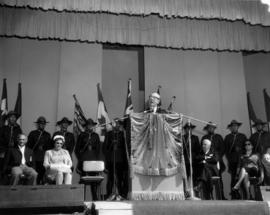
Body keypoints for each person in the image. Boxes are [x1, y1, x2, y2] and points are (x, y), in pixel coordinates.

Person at [103, 118, 129, 199]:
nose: (117, 125)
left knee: (120, 178)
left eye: (118, 124)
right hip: (111, 159)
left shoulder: (122, 134)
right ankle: (109, 195)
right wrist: (107, 157)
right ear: (112, 124)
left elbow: (125, 148)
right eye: (115, 123)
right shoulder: (109, 134)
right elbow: (104, 148)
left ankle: (121, 195)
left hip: (121, 159)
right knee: (110, 178)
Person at [201, 122, 226, 199]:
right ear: (207, 129)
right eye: (209, 127)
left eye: (212, 127)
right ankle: (208, 196)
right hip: (207, 162)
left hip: (217, 162)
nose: (211, 129)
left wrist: (217, 158)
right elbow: (202, 149)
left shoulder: (218, 137)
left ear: (214, 129)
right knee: (206, 178)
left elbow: (222, 149)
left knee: (219, 180)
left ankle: (221, 196)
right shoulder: (204, 137)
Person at [224, 120, 247, 194]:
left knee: (243, 178)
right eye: (232, 126)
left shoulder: (243, 136)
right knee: (233, 178)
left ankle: (246, 195)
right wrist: (230, 158)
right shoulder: (227, 137)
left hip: (242, 161)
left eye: (235, 126)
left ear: (238, 127)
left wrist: (242, 152)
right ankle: (234, 195)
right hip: (232, 161)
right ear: (230, 128)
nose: (234, 127)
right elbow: (226, 150)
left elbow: (247, 147)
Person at [27, 116, 51, 184]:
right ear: (38, 124)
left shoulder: (47, 134)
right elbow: (29, 146)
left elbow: (50, 147)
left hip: (44, 157)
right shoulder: (32, 133)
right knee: (35, 173)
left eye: (43, 124)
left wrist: (44, 147)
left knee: (43, 174)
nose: (42, 125)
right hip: (34, 156)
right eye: (40, 123)